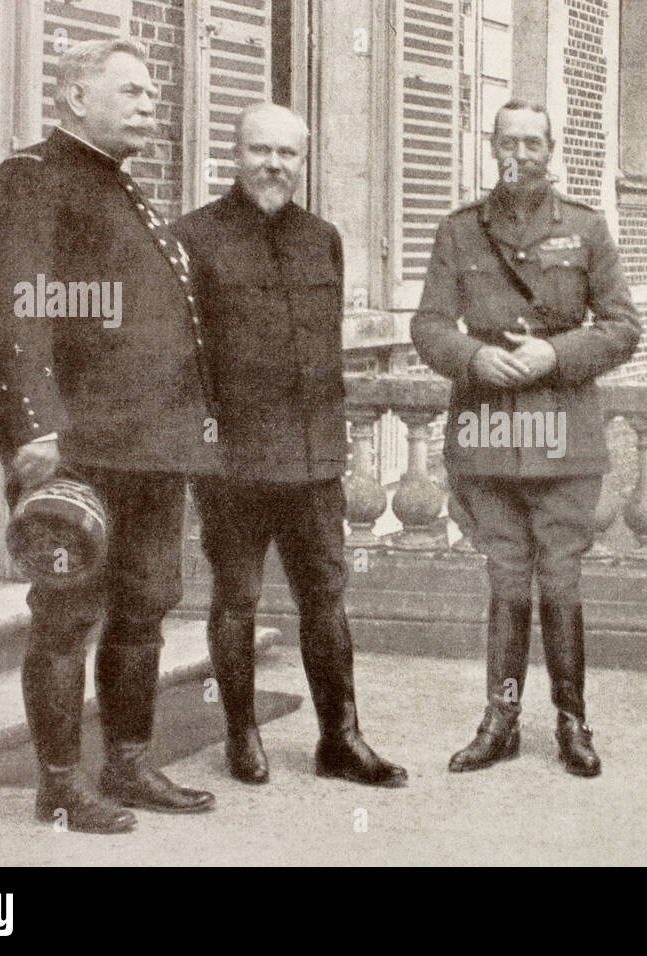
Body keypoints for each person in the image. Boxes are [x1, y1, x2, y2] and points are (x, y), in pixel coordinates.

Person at [0, 39, 220, 833]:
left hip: (150, 444)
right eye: (134, 93)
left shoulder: (122, 188)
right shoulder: (31, 180)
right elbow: (7, 314)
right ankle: (59, 785)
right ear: (76, 99)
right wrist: (35, 427)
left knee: (146, 604)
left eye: (152, 95)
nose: (151, 106)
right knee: (68, 613)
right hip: (75, 448)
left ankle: (128, 763)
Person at [172, 103, 407, 788]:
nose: (274, 165)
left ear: (303, 162)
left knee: (326, 598)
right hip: (235, 465)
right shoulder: (192, 239)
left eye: (288, 154)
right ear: (234, 155)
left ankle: (342, 737)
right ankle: (242, 735)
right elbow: (186, 362)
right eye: (260, 150)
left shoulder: (322, 238)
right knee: (236, 600)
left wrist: (333, 448)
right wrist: (207, 447)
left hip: (313, 461)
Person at [411, 100, 640, 777]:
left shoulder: (587, 228)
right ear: (491, 147)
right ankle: (501, 720)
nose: (520, 153)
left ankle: (573, 722)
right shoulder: (458, 232)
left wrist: (555, 355)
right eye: (507, 141)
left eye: (533, 142)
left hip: (564, 435)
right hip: (487, 431)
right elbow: (428, 326)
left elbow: (624, 327)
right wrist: (475, 358)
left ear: (552, 149)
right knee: (506, 577)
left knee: (562, 577)